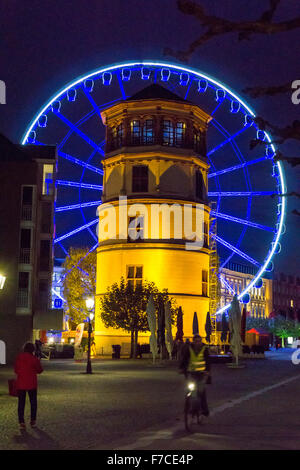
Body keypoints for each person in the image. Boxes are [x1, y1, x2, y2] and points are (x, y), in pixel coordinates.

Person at [179, 334, 211, 417]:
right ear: (193, 342)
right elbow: (185, 359)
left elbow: (207, 361)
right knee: (189, 389)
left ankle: (204, 410)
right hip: (191, 373)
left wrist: (207, 371)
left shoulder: (204, 349)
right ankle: (189, 407)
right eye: (196, 341)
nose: (198, 343)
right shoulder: (189, 349)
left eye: (199, 341)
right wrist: (182, 368)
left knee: (201, 391)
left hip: (201, 373)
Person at [14, 342, 43, 429]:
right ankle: (33, 421)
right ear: (33, 350)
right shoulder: (34, 358)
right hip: (32, 383)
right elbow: (40, 370)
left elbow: (16, 370)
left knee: (21, 403)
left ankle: (21, 422)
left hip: (21, 383)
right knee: (33, 402)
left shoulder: (19, 357)